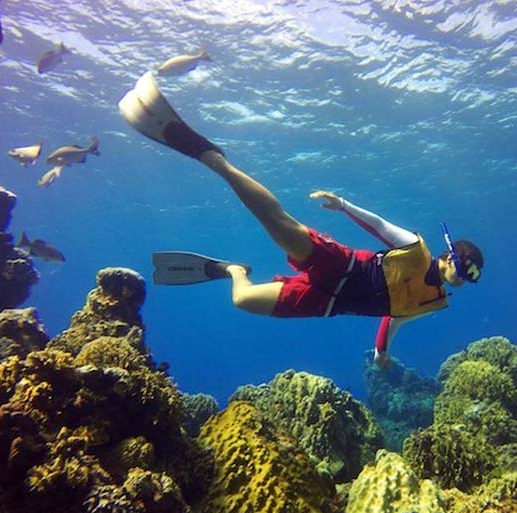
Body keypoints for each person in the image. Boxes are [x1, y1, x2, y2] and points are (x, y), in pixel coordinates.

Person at [119, 72, 484, 368]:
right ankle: (211, 157)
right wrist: (343, 204)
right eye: (465, 270)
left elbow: (395, 318)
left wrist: (381, 353)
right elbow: (381, 226)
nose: (464, 280)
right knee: (279, 224)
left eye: (470, 279)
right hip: (342, 266)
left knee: (242, 300)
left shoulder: (435, 302)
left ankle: (232, 270)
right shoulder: (418, 252)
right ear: (451, 255)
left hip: (328, 304)